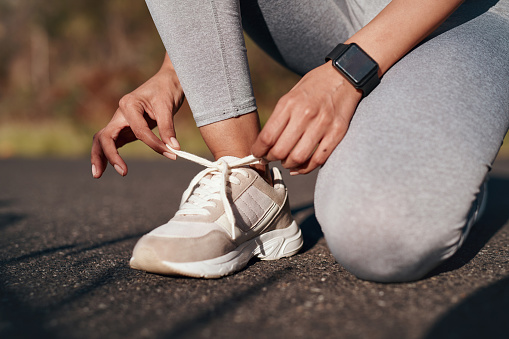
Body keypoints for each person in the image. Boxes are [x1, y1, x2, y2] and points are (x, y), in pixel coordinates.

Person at [91, 0, 509, 282]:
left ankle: (450, 176)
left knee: (379, 237)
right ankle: (246, 181)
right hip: (333, 11)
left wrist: (349, 72)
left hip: (470, 14)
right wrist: (180, 68)